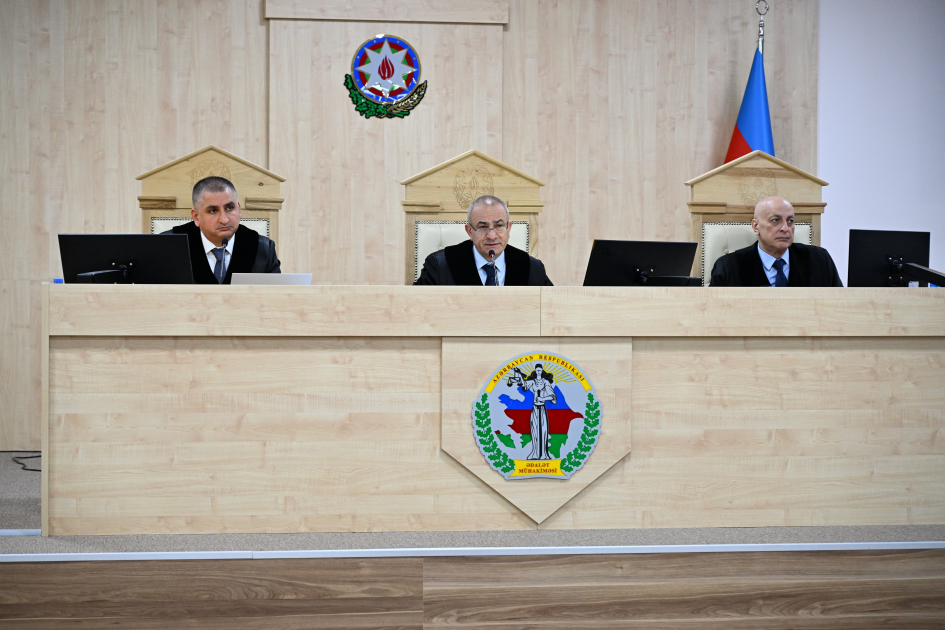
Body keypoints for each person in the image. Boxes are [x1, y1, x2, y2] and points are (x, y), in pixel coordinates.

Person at [163, 176, 281, 284]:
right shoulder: (167, 247)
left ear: (239, 209)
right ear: (196, 217)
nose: (224, 220)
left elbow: (276, 299)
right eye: (213, 211)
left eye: (230, 208)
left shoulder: (262, 249)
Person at [414, 195, 553, 286]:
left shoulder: (532, 268)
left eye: (499, 226)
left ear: (509, 228)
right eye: (482, 227)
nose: (492, 236)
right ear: (469, 231)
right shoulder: (439, 266)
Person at [709, 195, 843, 287]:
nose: (785, 228)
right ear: (756, 226)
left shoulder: (819, 260)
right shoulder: (729, 267)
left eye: (790, 221)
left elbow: (839, 306)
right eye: (775, 220)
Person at [507, 364, 557, 461]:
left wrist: (543, 398)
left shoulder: (545, 382)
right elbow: (524, 386)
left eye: (540, 370)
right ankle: (535, 453)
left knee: (543, 431)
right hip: (535, 408)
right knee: (534, 431)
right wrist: (518, 373)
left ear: (542, 370)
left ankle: (543, 454)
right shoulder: (533, 382)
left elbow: (553, 397)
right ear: (535, 370)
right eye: (537, 370)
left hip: (542, 408)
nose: (538, 371)